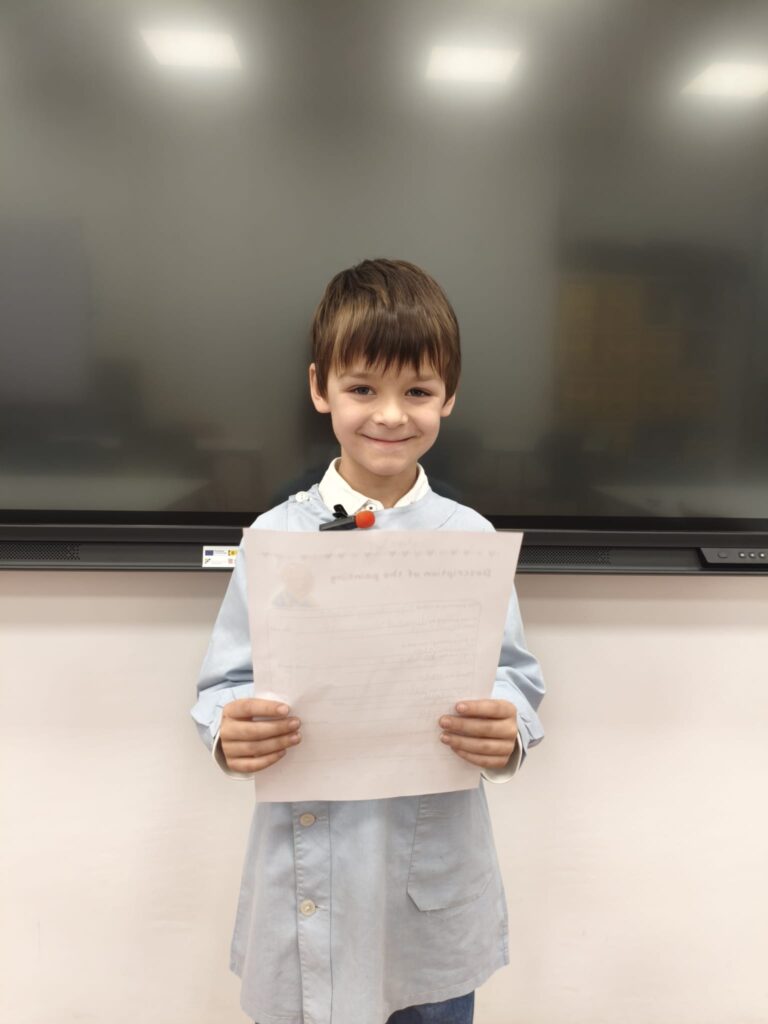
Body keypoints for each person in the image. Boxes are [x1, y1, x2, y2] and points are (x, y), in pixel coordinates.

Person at [192, 258, 545, 1024]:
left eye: (416, 391)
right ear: (320, 388)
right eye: (362, 389)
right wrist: (230, 730)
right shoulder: (274, 536)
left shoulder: (469, 539)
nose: (390, 415)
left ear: (449, 395)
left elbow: (515, 676)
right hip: (306, 877)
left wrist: (507, 728)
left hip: (428, 885)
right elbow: (223, 684)